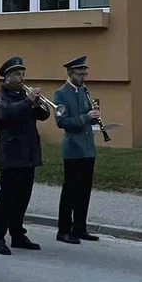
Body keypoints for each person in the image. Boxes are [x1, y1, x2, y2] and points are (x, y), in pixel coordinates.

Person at [0, 56, 50, 255]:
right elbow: (5, 115)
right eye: (17, 74)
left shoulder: (23, 96)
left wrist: (39, 103)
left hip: (28, 153)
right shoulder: (0, 97)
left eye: (22, 74)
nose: (21, 78)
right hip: (11, 153)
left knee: (23, 196)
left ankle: (17, 234)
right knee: (7, 197)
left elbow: (44, 115)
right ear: (7, 77)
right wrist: (28, 101)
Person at [53, 56, 101, 244]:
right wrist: (85, 117)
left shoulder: (83, 91)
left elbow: (88, 116)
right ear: (70, 73)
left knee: (84, 190)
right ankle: (64, 230)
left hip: (88, 148)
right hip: (73, 149)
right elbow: (61, 122)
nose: (83, 77)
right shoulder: (61, 94)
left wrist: (95, 117)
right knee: (70, 191)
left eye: (85, 74)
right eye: (80, 74)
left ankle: (80, 227)